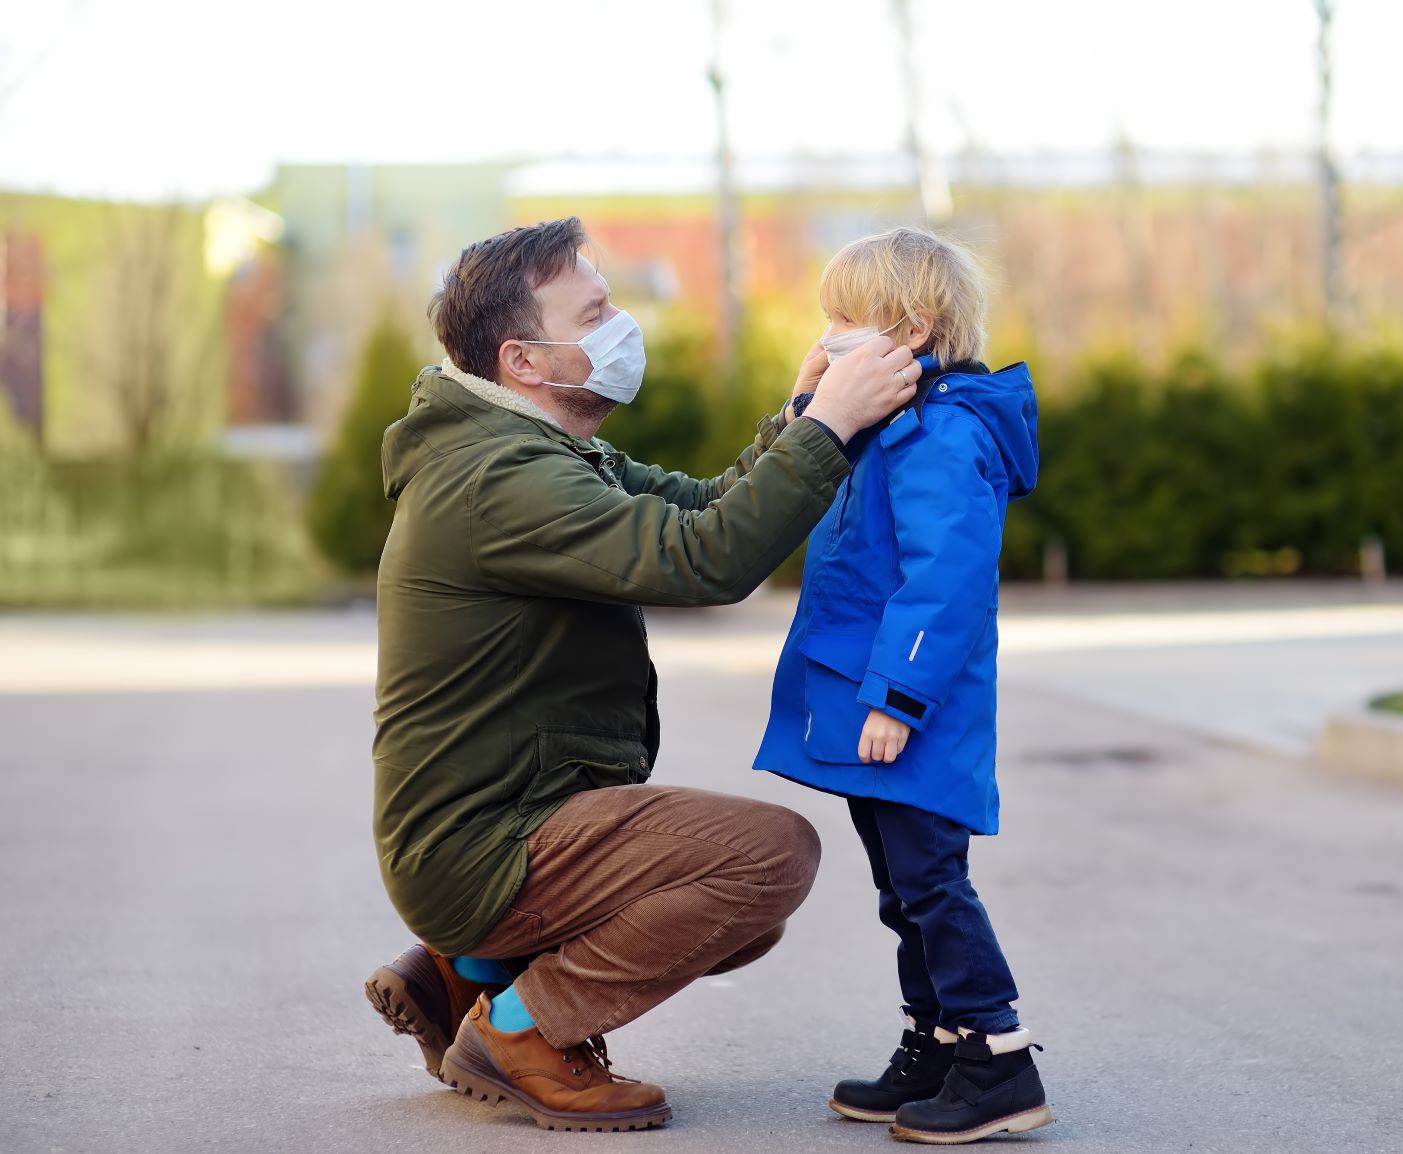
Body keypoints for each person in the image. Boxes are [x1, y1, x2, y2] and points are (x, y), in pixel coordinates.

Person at [363, 216, 920, 1132]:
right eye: (596, 312)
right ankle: (521, 1029)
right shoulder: (500, 477)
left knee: (742, 911)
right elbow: (704, 560)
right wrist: (831, 427)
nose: (623, 324)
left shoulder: (534, 449)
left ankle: (468, 971)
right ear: (525, 360)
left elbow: (701, 507)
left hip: (496, 828)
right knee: (769, 857)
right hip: (484, 846)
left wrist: (795, 418)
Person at [752, 228, 1049, 1144]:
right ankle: (934, 1041)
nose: (830, 332)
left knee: (930, 881)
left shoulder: (944, 433)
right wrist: (807, 404)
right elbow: (799, 489)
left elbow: (943, 577)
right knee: (900, 886)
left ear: (913, 327)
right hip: (874, 702)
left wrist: (898, 696)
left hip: (912, 711)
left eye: (846, 318)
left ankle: (997, 1057)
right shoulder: (888, 423)